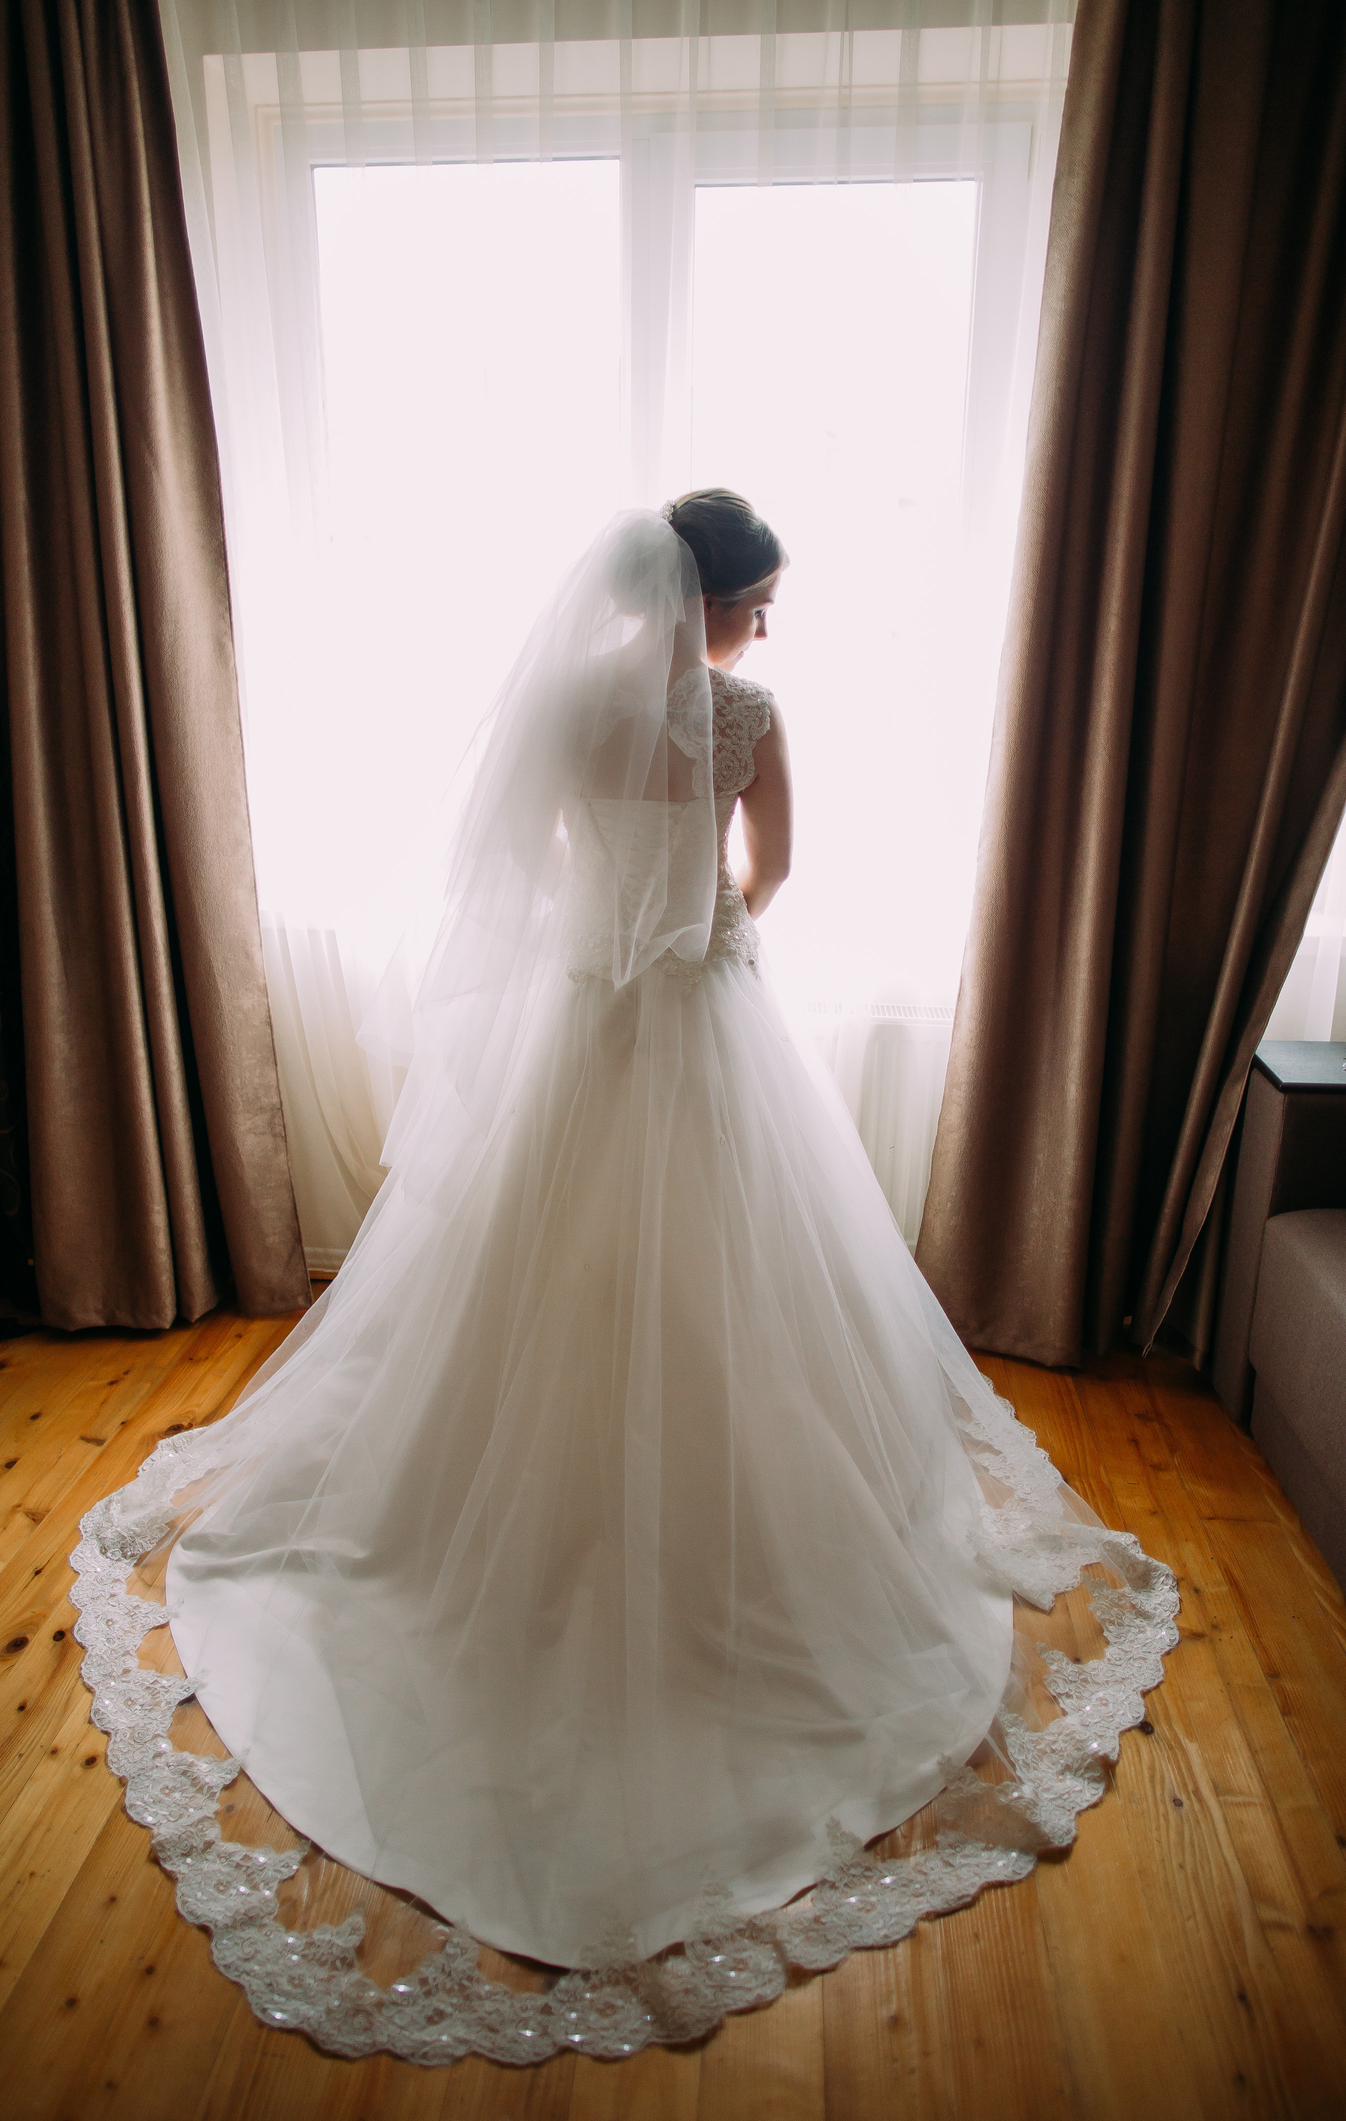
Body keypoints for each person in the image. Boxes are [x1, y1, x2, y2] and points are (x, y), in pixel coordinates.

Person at [73, 493, 1178, 2063]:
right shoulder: (743, 715)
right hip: (699, 1019)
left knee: (530, 1283)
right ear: (713, 602)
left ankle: (489, 1526)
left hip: (583, 1024)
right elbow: (770, 871)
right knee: (740, 1298)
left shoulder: (571, 706)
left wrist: (606, 922)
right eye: (760, 600)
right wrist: (710, 929)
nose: (767, 626)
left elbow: (516, 862)